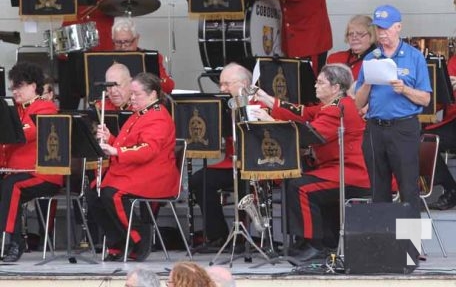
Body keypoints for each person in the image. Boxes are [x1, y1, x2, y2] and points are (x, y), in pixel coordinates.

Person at [254, 63, 371, 261]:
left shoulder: (337, 109)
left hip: (352, 172)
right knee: (295, 182)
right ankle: (315, 240)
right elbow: (302, 113)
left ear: (335, 88)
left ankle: (315, 244)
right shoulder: (334, 105)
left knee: (301, 187)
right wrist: (266, 98)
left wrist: (270, 121)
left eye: (320, 82)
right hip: (339, 168)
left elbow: (309, 135)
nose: (315, 85)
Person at [86, 72, 178, 261]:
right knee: (93, 193)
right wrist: (110, 138)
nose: (132, 98)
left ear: (152, 95)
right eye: (132, 93)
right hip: (137, 170)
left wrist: (116, 151)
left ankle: (137, 237)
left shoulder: (158, 117)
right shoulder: (139, 114)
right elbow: (127, 143)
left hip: (154, 174)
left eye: (137, 94)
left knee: (112, 194)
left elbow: (148, 150)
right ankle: (117, 241)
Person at [355, 5, 431, 217]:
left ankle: (411, 248)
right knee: (378, 190)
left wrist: (404, 89)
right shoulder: (371, 58)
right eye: (378, 28)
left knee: (408, 188)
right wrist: (368, 83)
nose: (382, 33)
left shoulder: (414, 57)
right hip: (375, 128)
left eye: (386, 28)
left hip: (403, 127)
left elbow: (426, 98)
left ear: (398, 27)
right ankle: (384, 247)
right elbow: (358, 103)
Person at [0, 62, 62, 262]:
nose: (15, 91)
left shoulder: (45, 107)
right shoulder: (15, 110)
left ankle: (12, 242)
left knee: (12, 186)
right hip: (17, 171)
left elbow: (23, 134)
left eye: (19, 86)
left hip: (42, 173)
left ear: (33, 86)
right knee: (9, 184)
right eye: (13, 87)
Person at [190, 63, 253, 248]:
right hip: (231, 163)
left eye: (226, 84)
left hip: (257, 165)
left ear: (244, 83)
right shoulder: (222, 105)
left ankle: (245, 236)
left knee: (245, 185)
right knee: (199, 180)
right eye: (221, 84)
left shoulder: (258, 102)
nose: (222, 89)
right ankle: (218, 234)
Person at [425, 53, 456, 210]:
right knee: (423, 139)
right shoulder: (454, 61)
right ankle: (450, 189)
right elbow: (444, 96)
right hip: (453, 122)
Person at [112, 17, 175, 94]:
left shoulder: (149, 58)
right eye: (118, 42)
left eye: (127, 42)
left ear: (136, 39)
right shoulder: (105, 58)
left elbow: (168, 87)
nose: (123, 47)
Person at [327, 15, 377, 81]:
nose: (354, 37)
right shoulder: (334, 59)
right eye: (351, 34)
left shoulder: (379, 60)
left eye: (360, 33)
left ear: (372, 35)